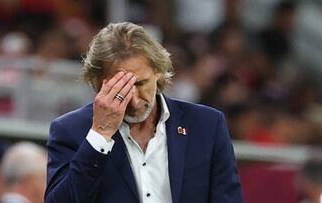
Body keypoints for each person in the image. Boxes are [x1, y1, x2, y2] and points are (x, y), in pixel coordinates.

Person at [45, 22, 243, 203]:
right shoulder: (70, 130)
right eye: (120, 87)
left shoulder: (207, 124)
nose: (134, 99)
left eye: (140, 83)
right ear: (98, 84)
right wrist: (100, 135)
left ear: (159, 71)